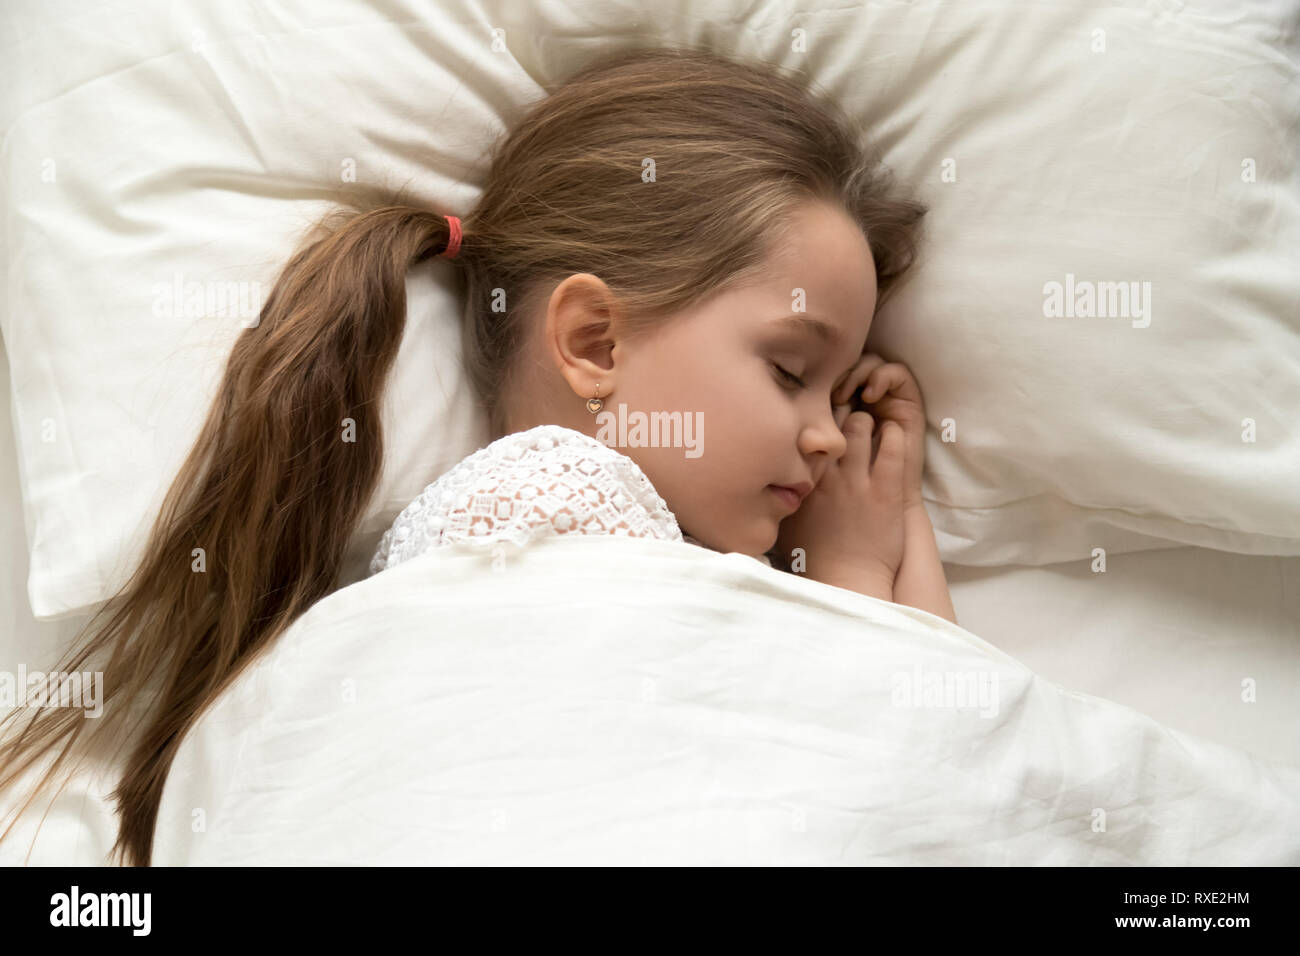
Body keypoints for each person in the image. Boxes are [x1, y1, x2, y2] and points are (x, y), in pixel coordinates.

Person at [0, 45, 953, 868]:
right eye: (790, 373)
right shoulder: (549, 499)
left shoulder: (625, 553)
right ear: (594, 344)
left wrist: (883, 532)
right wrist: (857, 567)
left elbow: (954, 748)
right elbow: (871, 759)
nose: (830, 436)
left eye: (839, 394)